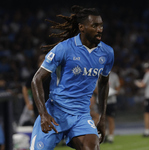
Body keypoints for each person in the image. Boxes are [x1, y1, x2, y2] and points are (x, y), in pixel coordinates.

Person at [30, 5, 114, 150]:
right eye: (94, 26)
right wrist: (43, 113)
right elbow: (36, 80)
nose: (99, 29)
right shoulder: (64, 48)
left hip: (81, 115)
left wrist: (102, 117)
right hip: (55, 113)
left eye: (101, 25)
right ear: (82, 27)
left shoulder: (107, 53)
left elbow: (104, 83)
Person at [19, 54, 50, 126]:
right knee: (39, 122)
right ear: (39, 63)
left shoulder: (52, 74)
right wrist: (28, 103)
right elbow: (25, 88)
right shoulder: (35, 74)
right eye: (42, 62)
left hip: (50, 103)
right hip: (38, 104)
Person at [104, 70, 120, 143]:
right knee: (102, 120)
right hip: (101, 101)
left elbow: (118, 88)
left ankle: (111, 137)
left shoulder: (114, 76)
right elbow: (94, 87)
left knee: (110, 119)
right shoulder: (98, 74)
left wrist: (114, 92)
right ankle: (104, 136)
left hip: (111, 101)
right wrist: (102, 94)